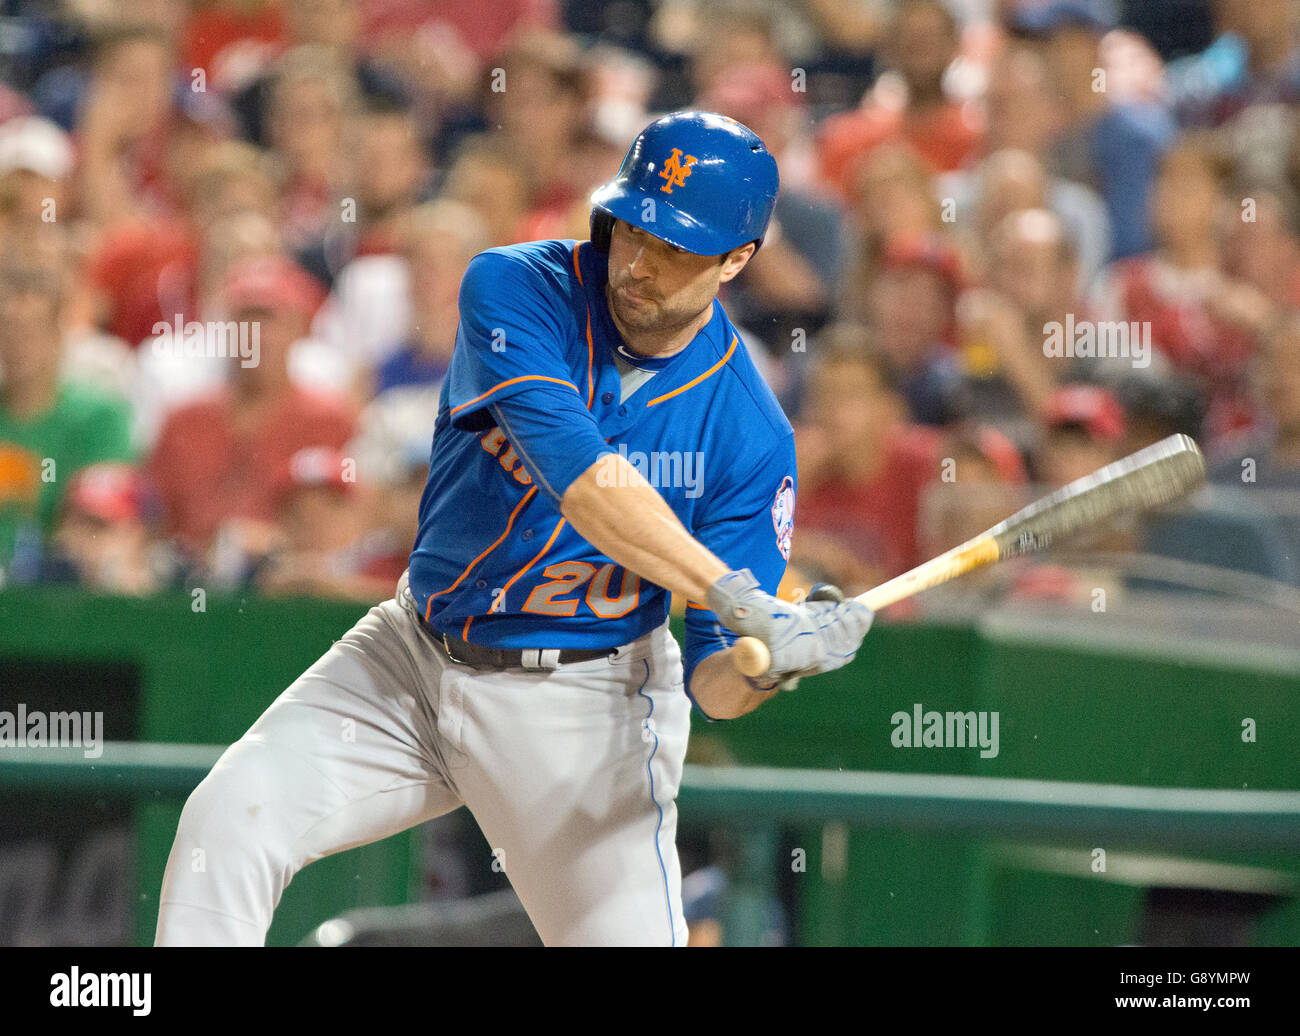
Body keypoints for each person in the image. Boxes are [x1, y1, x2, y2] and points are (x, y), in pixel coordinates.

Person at [154, 111, 873, 947]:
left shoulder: (750, 432)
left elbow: (718, 679)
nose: (637, 264)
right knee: (226, 826)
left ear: (738, 259)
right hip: (413, 659)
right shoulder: (517, 287)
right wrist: (732, 590)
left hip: (584, 705)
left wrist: (773, 660)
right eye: (630, 229)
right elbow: (587, 485)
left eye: (675, 248)